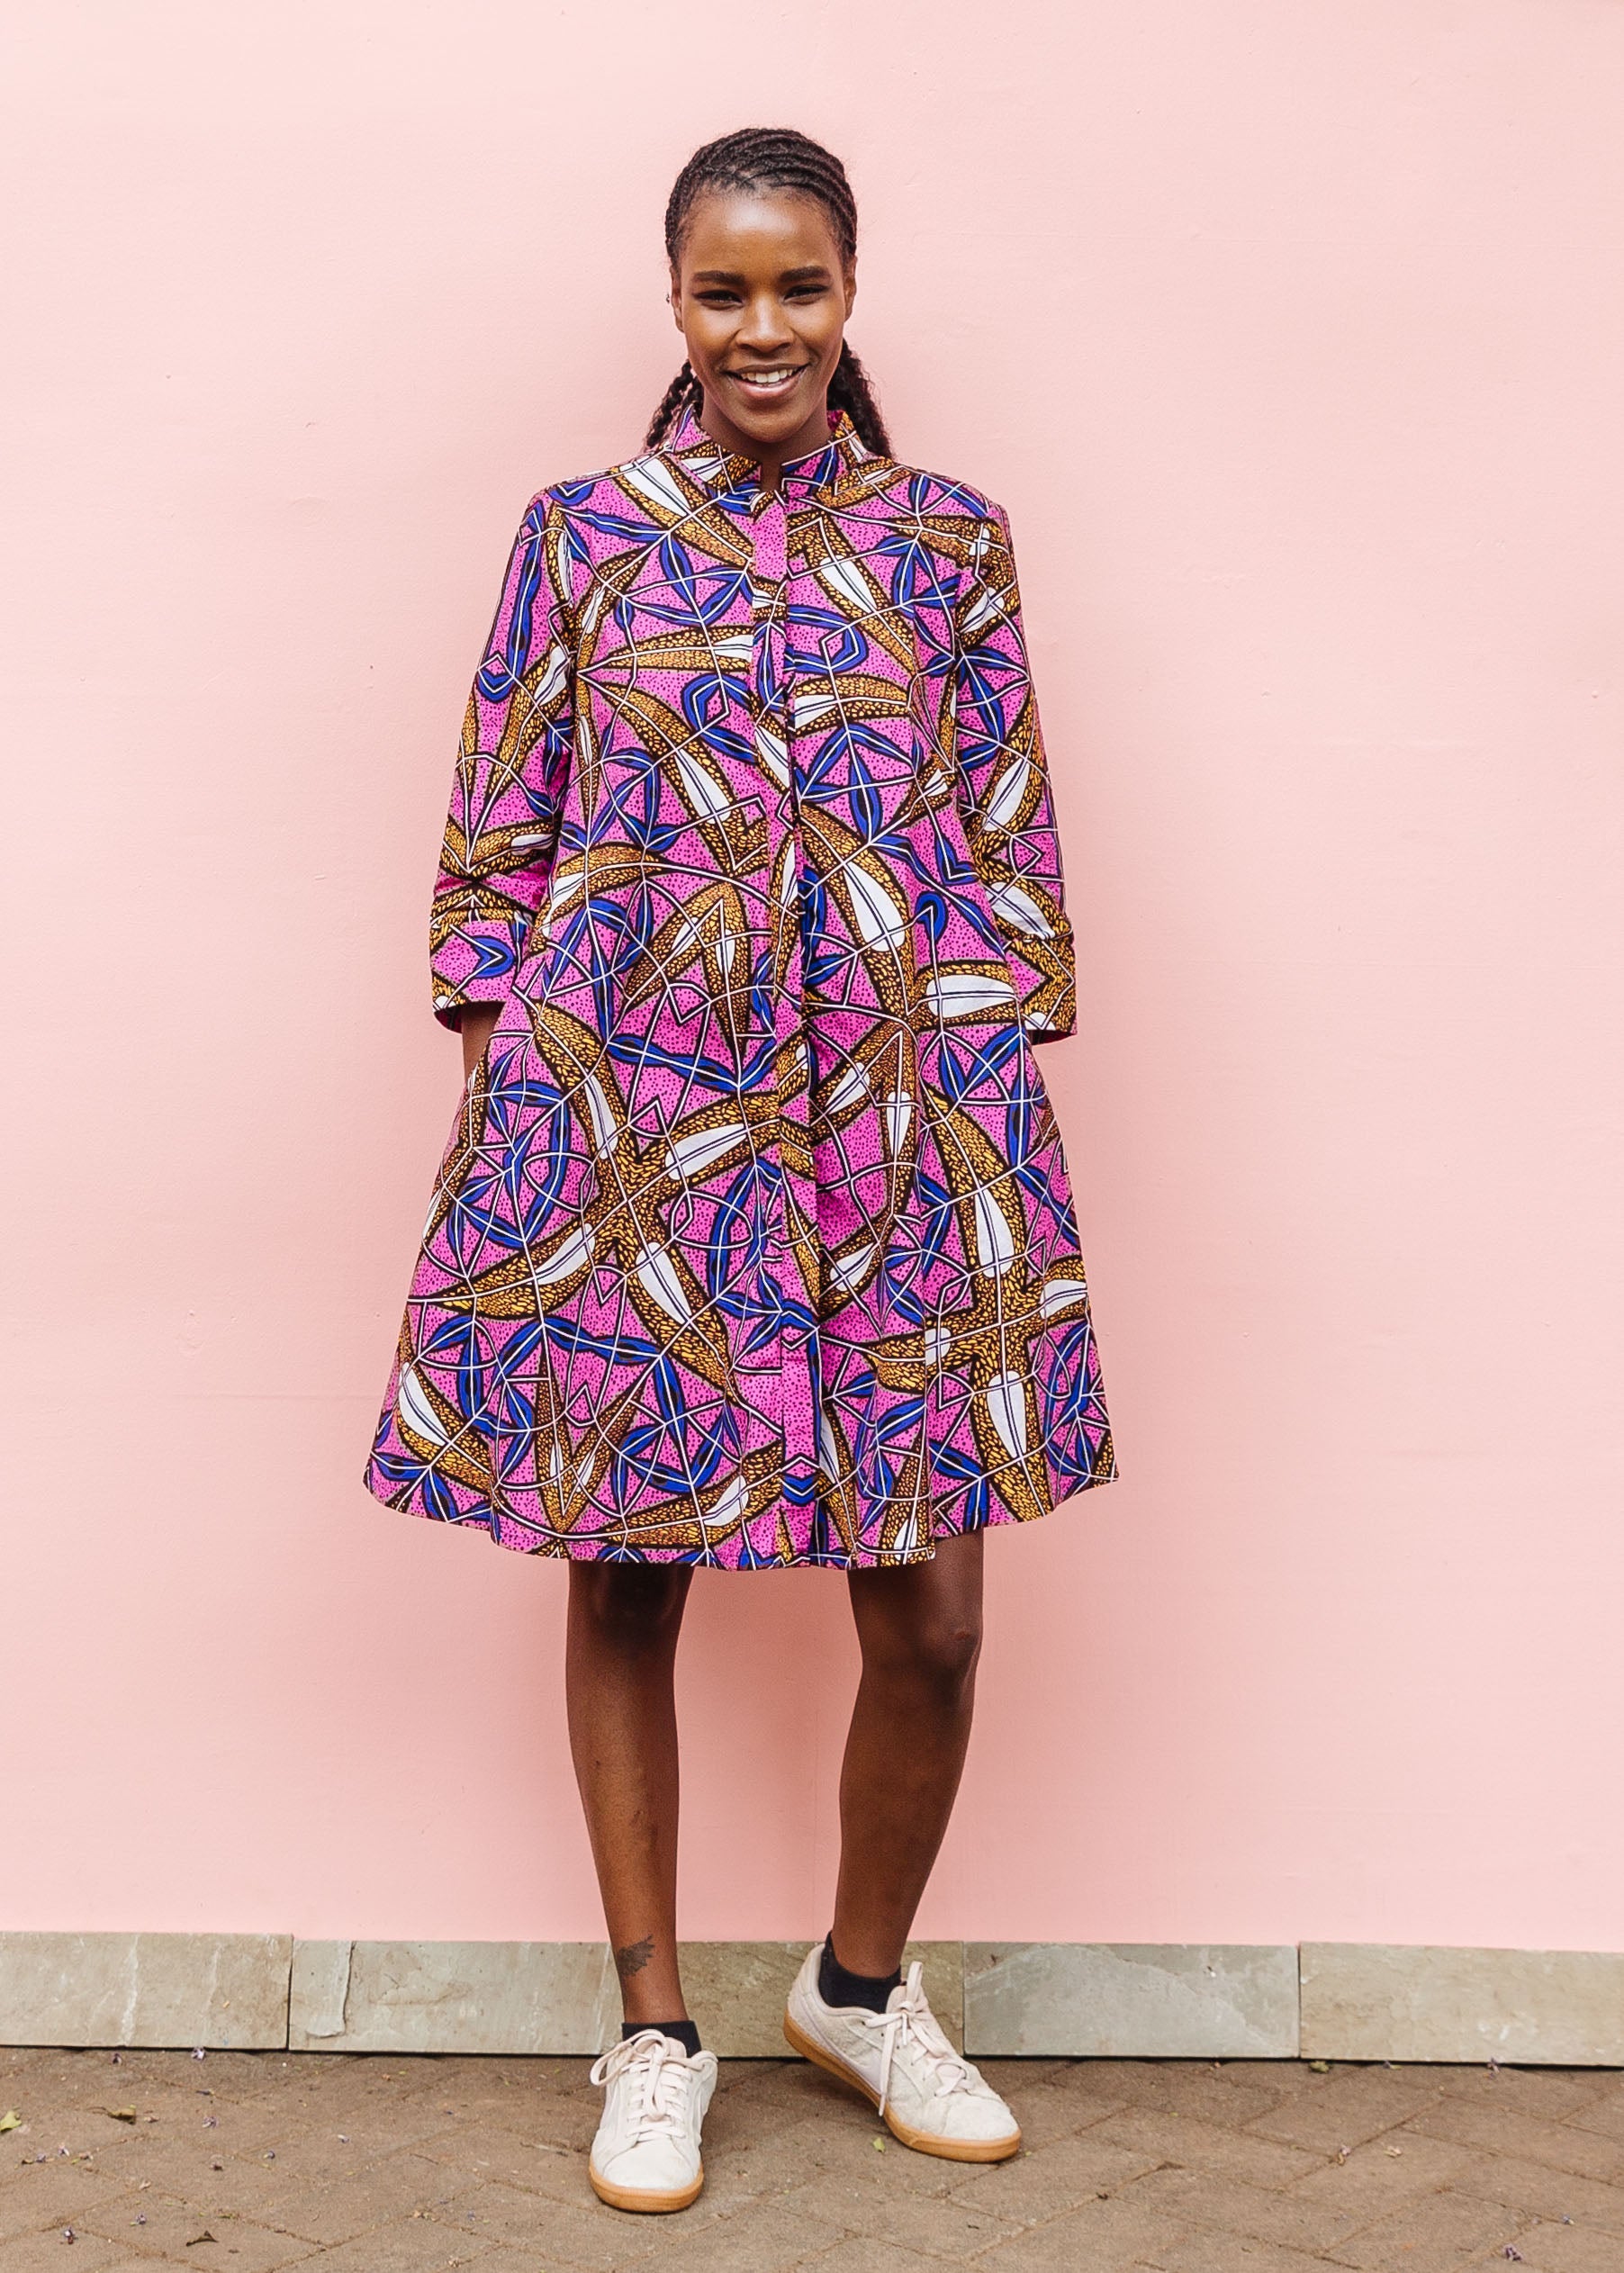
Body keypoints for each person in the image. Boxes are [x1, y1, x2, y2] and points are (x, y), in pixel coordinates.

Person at [365, 125, 1115, 2214]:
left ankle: (860, 1989)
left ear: (848, 296)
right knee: (626, 1563)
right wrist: (503, 1065)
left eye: (796, 287)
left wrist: (979, 1074)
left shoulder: (949, 543)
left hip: (903, 1117)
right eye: (723, 291)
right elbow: (494, 830)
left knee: (938, 1617)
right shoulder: (580, 536)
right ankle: (652, 2028)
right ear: (673, 306)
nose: (759, 327)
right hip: (633, 1103)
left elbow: (1007, 830)